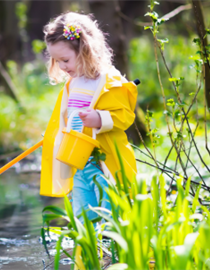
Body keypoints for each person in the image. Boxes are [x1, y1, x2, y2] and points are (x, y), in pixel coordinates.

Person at [39, 11, 138, 223]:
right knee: (83, 213)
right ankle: (90, 250)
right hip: (79, 162)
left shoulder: (108, 80)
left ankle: (113, 250)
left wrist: (100, 119)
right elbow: (67, 119)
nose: (62, 67)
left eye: (65, 60)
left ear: (85, 50)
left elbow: (125, 116)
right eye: (57, 62)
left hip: (104, 160)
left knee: (110, 210)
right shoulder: (72, 84)